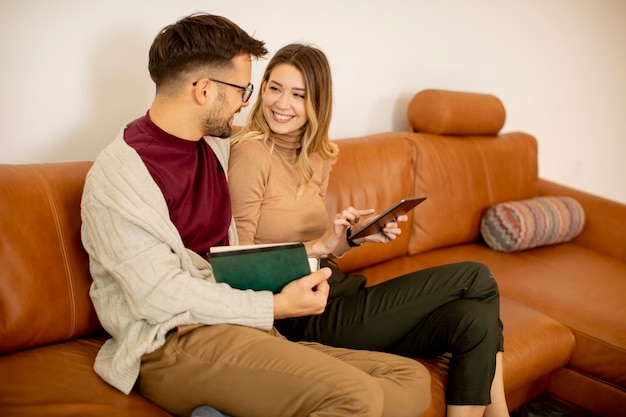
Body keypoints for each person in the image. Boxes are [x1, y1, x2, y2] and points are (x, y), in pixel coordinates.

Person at [80, 14, 432, 417]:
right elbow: (158, 296)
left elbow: (269, 196)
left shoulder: (215, 147)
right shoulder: (118, 176)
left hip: (240, 328)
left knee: (410, 380)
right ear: (205, 90)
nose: (248, 103)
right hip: (170, 342)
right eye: (243, 90)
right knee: (358, 398)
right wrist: (277, 306)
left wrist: (336, 240)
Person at [228, 43, 510, 417]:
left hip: (339, 288)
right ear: (261, 89)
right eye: (274, 88)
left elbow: (320, 249)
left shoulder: (319, 155)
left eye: (299, 94)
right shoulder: (250, 154)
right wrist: (318, 245)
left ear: (317, 102)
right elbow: (238, 266)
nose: (282, 103)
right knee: (477, 277)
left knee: (475, 320)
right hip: (303, 310)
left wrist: (350, 237)